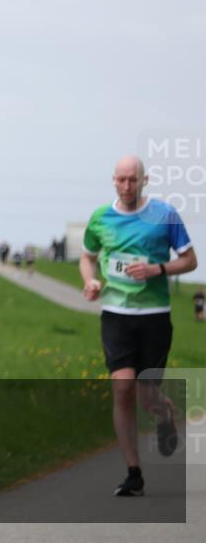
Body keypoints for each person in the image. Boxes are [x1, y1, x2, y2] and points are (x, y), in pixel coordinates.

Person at [79, 155, 197, 496]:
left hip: (155, 317)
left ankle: (164, 413)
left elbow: (191, 260)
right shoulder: (101, 218)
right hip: (116, 316)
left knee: (147, 396)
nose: (127, 186)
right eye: (122, 180)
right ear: (113, 180)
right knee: (123, 387)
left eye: (134, 180)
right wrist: (91, 282)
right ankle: (134, 472)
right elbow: (88, 257)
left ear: (145, 181)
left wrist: (156, 269)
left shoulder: (164, 215)